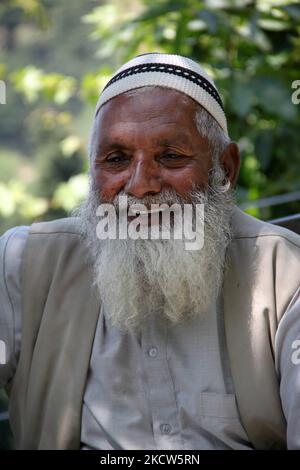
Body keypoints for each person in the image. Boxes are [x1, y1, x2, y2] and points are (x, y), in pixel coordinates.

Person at [0, 53, 300, 450]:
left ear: (225, 170)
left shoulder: (285, 275)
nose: (141, 185)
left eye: (171, 157)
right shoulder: (25, 265)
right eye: (116, 159)